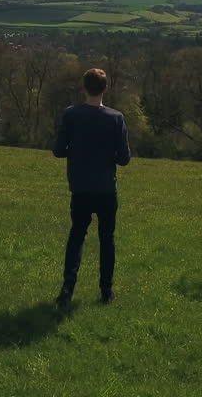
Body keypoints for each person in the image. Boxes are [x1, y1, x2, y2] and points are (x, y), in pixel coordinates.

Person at [52, 68, 131, 310]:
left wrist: (76, 152)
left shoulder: (71, 115)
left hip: (80, 188)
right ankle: (106, 292)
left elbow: (58, 150)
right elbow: (124, 159)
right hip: (107, 189)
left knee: (77, 236)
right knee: (107, 240)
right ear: (105, 89)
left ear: (83, 88)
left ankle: (67, 289)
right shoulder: (116, 118)